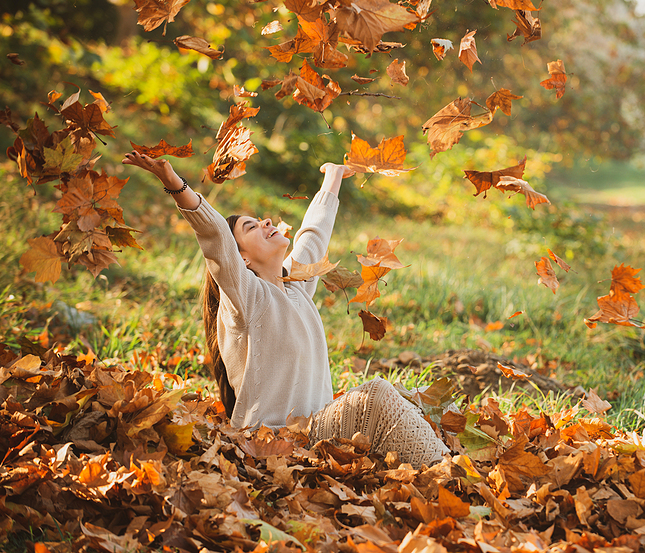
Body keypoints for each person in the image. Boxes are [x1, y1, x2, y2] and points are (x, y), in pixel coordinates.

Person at [123, 151, 449, 467]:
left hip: (315, 434)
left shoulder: (296, 286)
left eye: (260, 220)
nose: (265, 222)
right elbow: (216, 235)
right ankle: (450, 474)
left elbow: (314, 234)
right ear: (242, 260)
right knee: (376, 394)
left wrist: (333, 177)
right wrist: (173, 182)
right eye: (251, 228)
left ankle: (439, 473)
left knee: (409, 395)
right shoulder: (245, 301)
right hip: (272, 444)